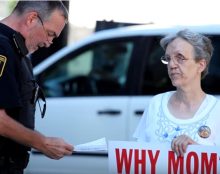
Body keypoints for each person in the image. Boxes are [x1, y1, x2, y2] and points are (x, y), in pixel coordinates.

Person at [0, 1, 73, 173]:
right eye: (50, 34)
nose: (49, 43)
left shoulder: (17, 50)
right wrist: (42, 142)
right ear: (32, 18)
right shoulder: (2, 48)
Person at [133, 29, 220, 157]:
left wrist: (197, 151)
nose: (171, 65)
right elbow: (138, 157)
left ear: (201, 65)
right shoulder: (156, 104)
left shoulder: (217, 111)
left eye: (180, 58)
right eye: (168, 59)